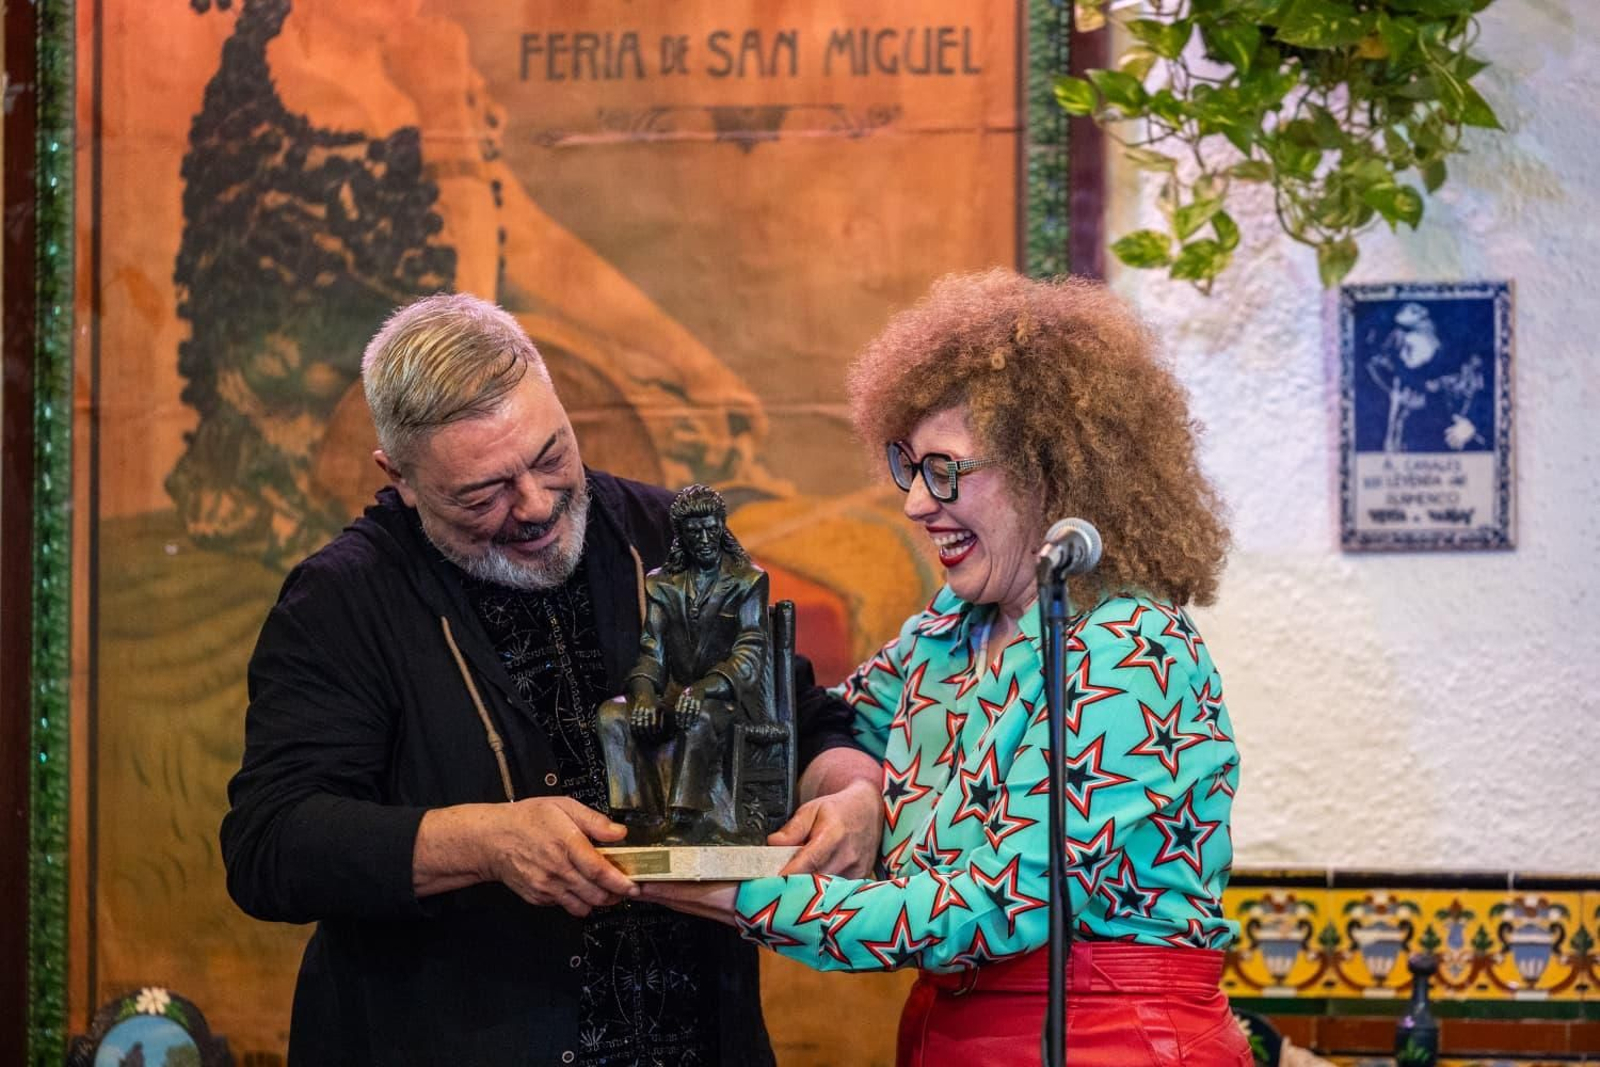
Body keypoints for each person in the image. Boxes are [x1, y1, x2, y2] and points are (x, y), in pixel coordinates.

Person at [218, 292, 883, 1066]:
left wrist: (852, 792)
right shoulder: (342, 599)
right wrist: (484, 839)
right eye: (483, 492)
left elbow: (805, 718)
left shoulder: (666, 535)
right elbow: (270, 844)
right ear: (397, 475)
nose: (535, 505)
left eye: (550, 456)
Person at [643, 270, 1252, 1065]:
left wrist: (734, 896)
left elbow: (985, 905)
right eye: (909, 466)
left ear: (1049, 469)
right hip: (945, 1033)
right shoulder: (944, 634)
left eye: (944, 469)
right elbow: (808, 735)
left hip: (1107, 1038)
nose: (914, 504)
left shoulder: (1135, 652)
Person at [597, 485, 774, 843]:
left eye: (712, 529)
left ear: (722, 527)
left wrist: (705, 687)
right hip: (676, 693)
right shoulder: (661, 584)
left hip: (729, 697)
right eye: (695, 532)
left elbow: (749, 652)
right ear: (681, 535)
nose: (705, 539)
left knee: (701, 714)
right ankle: (636, 815)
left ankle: (686, 820)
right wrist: (644, 693)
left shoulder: (748, 581)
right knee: (612, 713)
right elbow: (652, 651)